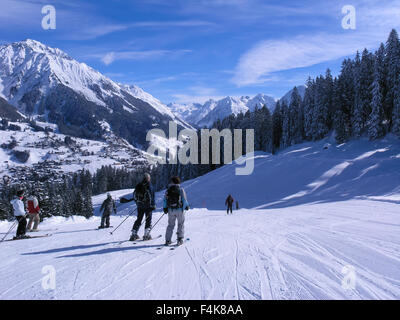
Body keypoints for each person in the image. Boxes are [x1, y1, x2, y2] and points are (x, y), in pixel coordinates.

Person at [163, 176, 190, 246]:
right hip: (179, 210)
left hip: (170, 210)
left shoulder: (168, 190)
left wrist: (165, 208)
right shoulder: (181, 189)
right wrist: (186, 206)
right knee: (180, 224)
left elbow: (165, 200)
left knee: (170, 225)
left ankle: (168, 240)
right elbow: (184, 199)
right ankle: (180, 239)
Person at [130, 173, 155, 241]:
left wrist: (137, 203)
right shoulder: (149, 185)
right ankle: (146, 235)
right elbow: (152, 196)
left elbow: (134, 195)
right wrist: (153, 205)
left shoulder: (139, 185)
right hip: (148, 206)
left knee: (139, 219)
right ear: (148, 178)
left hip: (140, 205)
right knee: (148, 219)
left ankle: (134, 234)